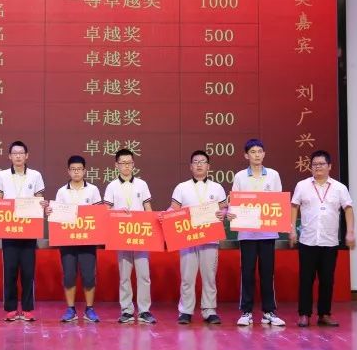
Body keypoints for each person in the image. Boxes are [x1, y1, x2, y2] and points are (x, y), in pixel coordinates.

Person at [290, 149, 355, 327]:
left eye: (321, 164)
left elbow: (348, 209)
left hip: (329, 241)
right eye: (314, 164)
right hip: (307, 241)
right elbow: (294, 207)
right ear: (310, 167)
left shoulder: (340, 188)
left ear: (329, 166)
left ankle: (324, 314)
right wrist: (292, 229)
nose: (318, 167)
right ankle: (304, 314)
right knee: (306, 279)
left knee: (327, 280)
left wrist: (350, 231)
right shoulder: (302, 185)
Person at [170, 150, 228, 325]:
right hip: (188, 239)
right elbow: (173, 209)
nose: (199, 164)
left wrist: (224, 213)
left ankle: (209, 310)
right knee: (187, 277)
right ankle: (186, 311)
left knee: (209, 276)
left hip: (210, 238)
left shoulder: (217, 187)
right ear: (190, 166)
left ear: (208, 166)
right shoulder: (182, 187)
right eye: (196, 162)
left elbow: (225, 208)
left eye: (202, 161)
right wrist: (166, 215)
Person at [232, 139, 286, 327]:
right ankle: (246, 312)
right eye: (253, 152)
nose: (256, 155)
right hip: (247, 234)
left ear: (264, 154)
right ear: (246, 155)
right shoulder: (240, 176)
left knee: (267, 273)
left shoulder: (273, 175)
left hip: (267, 233)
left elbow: (278, 202)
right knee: (247, 272)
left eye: (259, 151)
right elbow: (235, 201)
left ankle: (268, 312)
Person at [0, 140, 45, 321]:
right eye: (15, 153)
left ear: (27, 155)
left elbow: (39, 198)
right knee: (10, 270)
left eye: (21, 153)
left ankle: (28, 308)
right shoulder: (2, 175)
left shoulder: (35, 175)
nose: (18, 156)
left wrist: (43, 204)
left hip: (29, 230)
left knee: (28, 271)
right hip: (9, 230)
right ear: (10, 156)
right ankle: (11, 308)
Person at [101, 148, 156, 325]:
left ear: (133, 164)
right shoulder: (111, 186)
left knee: (144, 275)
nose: (126, 166)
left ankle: (144, 310)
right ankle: (126, 310)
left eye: (129, 163)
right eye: (123, 163)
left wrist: (152, 228)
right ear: (116, 165)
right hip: (121, 235)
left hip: (140, 235)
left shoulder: (142, 184)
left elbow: (148, 209)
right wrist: (118, 211)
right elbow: (106, 211)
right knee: (125, 276)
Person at [49, 155, 103, 323]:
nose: (76, 172)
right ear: (68, 171)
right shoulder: (61, 191)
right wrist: (51, 212)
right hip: (67, 240)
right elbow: (57, 215)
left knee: (89, 276)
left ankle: (89, 309)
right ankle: (70, 309)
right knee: (69, 275)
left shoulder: (93, 190)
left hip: (88, 240)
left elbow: (98, 214)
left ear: (84, 171)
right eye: (73, 169)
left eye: (79, 169)